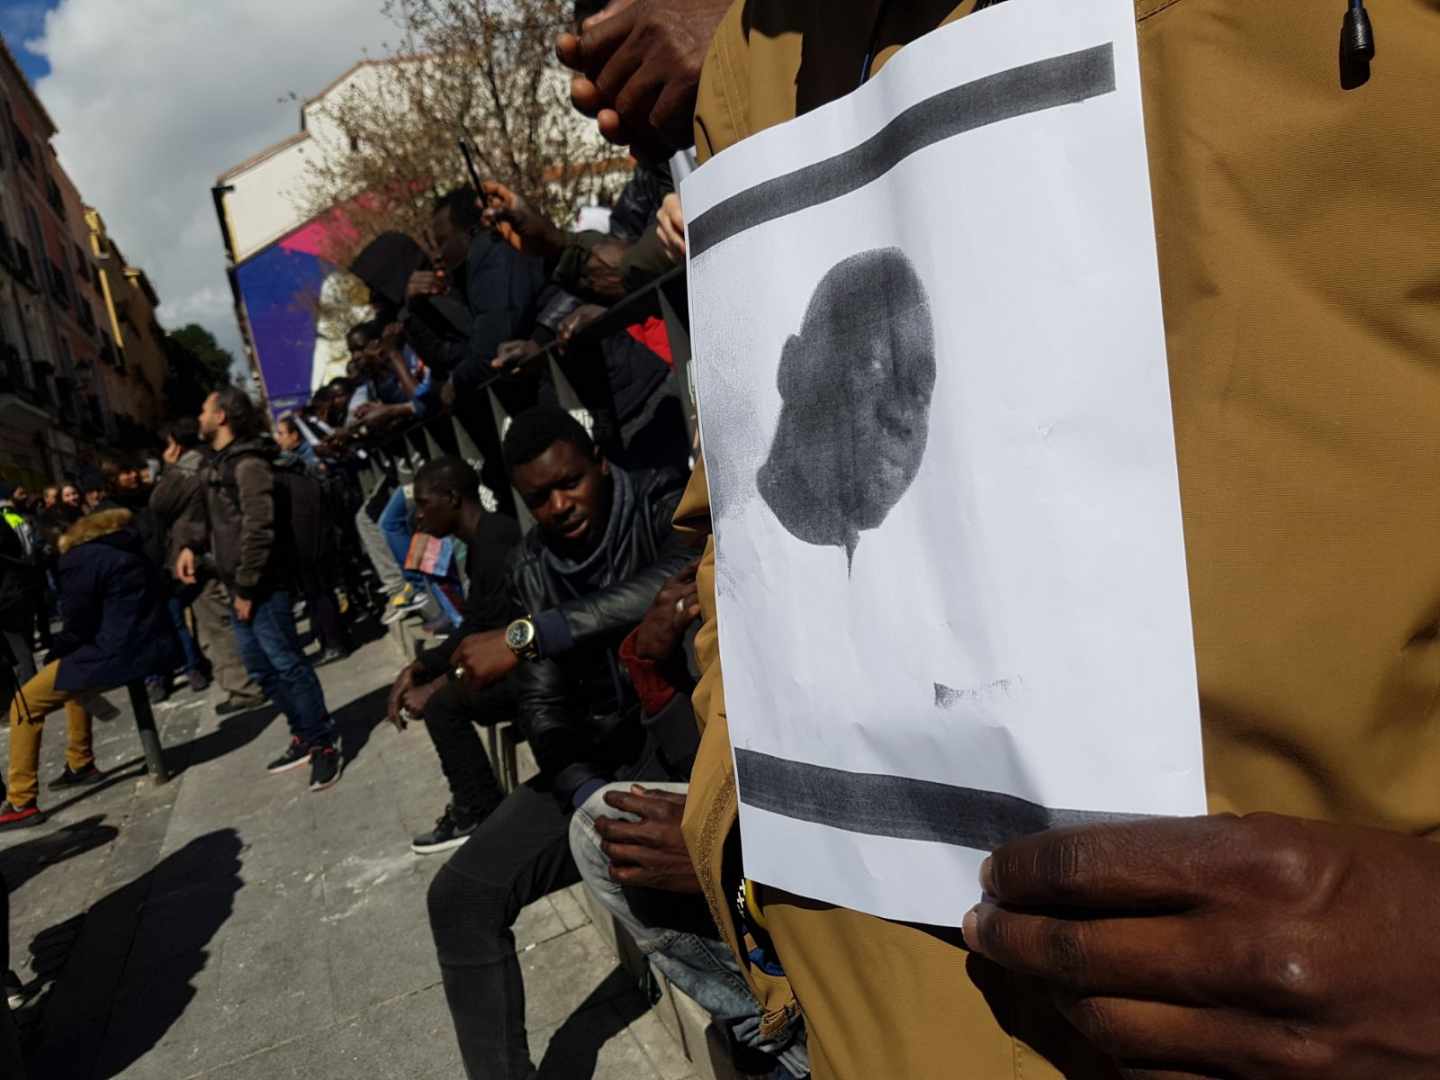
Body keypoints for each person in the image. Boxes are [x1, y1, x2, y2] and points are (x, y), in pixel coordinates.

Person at [655, 3, 1440, 1079]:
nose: (894, 416)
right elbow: (733, 542)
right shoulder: (756, 54)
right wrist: (736, 820)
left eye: (917, 390)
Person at [426, 406, 694, 1078]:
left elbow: (673, 580)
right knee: (459, 896)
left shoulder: (664, 499)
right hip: (597, 762)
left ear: (599, 461)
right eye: (537, 498)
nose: (558, 505)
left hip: (696, 739)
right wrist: (586, 797)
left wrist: (530, 635)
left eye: (568, 482)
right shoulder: (531, 564)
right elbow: (542, 707)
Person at [568, 565, 810, 1078]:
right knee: (601, 826)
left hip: (817, 841)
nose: (558, 507)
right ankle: (775, 1032)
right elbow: (703, 759)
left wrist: (725, 857)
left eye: (568, 484)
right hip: (625, 764)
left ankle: (786, 1042)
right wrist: (652, 671)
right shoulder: (704, 570)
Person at [179, 388, 341, 792]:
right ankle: (303, 732)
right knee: (261, 670)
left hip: (263, 585)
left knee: (287, 663)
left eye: (204, 407)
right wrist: (191, 547)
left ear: (221, 417)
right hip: (239, 584)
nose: (199, 414)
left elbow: (259, 527)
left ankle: (323, 743)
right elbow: (213, 520)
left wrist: (249, 587)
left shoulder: (249, 464)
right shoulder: (219, 463)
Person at [1, 506, 181, 829]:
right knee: (71, 679)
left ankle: (20, 800)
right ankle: (80, 762)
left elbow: (76, 625)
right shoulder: (126, 544)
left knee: (23, 705)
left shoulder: (80, 558)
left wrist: (54, 652)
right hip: (150, 645)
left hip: (115, 653)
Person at [385, 457, 521, 853]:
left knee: (443, 705)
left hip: (529, 666)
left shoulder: (495, 544)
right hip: (506, 653)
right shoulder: (481, 541)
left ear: (452, 498)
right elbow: (474, 627)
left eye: (425, 505)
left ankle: (477, 809)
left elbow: (496, 637)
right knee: (432, 687)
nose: (420, 517)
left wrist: (438, 685)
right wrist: (421, 666)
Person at [150, 418, 260, 706]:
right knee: (220, 622)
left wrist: (169, 468)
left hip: (199, 554)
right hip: (208, 550)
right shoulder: (207, 460)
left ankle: (244, 687)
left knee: (217, 624)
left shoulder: (187, 468)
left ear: (174, 443)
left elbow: (158, 504)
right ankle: (241, 682)